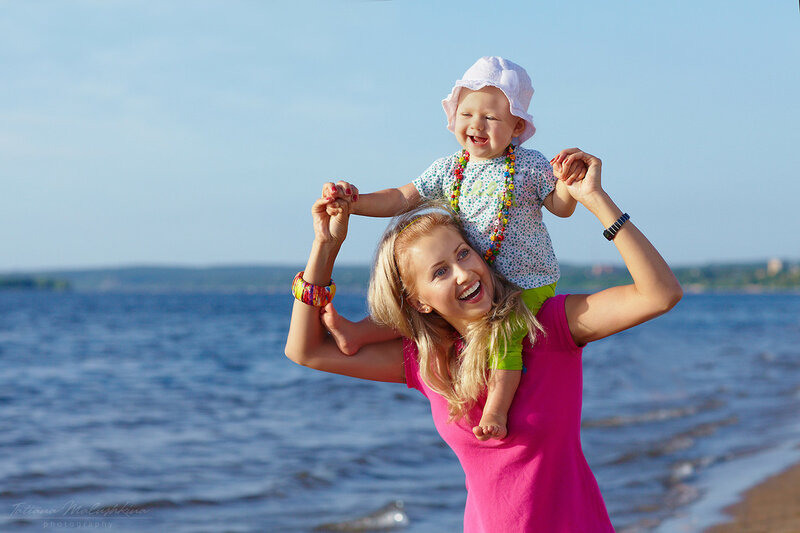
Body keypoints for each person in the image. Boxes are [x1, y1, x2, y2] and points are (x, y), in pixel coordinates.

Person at [284, 148, 682, 532]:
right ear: (419, 302)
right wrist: (326, 246)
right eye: (439, 272)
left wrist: (596, 200)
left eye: (463, 254)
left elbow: (660, 294)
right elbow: (306, 351)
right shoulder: (430, 362)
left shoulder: (547, 325)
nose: (463, 273)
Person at [320, 56, 588, 441]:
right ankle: (358, 334)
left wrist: (567, 182)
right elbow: (400, 197)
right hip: (475, 279)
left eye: (491, 118)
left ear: (516, 126)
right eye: (467, 114)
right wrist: (354, 202)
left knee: (505, 333)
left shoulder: (529, 165)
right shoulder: (450, 169)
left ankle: (496, 411)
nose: (476, 125)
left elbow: (560, 207)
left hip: (526, 283)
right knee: (425, 305)